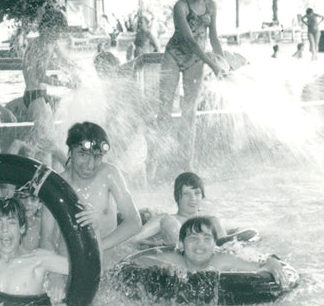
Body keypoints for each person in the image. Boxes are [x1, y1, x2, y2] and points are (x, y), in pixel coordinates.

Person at [157, 0, 226, 164]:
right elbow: (190, 41)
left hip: (196, 60)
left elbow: (213, 37)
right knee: (165, 109)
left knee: (190, 111)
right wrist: (212, 64)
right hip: (174, 55)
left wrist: (222, 62)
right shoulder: (181, 7)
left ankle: (188, 161)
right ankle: (158, 159)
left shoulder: (211, 6)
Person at [58, 122, 142, 268]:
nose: (90, 165)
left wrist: (96, 247)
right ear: (70, 152)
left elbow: (134, 222)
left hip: (107, 267)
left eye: (97, 156)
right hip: (67, 266)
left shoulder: (110, 175)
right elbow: (46, 239)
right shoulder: (58, 184)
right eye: (83, 154)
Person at [0, 197, 69, 300]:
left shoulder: (39, 260)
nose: (5, 229)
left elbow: (78, 266)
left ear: (22, 228)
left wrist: (56, 279)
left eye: (11, 223)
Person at [141, 217, 289, 287]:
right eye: (193, 238)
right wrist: (164, 267)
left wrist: (273, 263)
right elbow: (139, 260)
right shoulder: (174, 260)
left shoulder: (221, 260)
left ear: (214, 245)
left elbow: (261, 265)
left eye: (207, 239)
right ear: (181, 245)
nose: (200, 244)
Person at [19, 9, 79, 167]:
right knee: (48, 141)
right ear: (47, 27)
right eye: (57, 30)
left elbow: (65, 60)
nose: (59, 34)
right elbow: (40, 76)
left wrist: (77, 71)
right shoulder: (42, 45)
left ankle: (49, 169)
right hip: (35, 95)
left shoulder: (49, 43)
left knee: (44, 139)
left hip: (38, 95)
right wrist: (66, 84)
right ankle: (68, 170)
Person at [131, 172, 226, 246]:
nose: (193, 198)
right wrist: (155, 244)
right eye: (186, 194)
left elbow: (226, 246)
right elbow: (134, 239)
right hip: (176, 256)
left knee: (213, 221)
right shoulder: (164, 220)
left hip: (210, 256)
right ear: (177, 197)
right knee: (169, 222)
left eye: (197, 193)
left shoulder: (211, 221)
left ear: (202, 196)